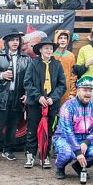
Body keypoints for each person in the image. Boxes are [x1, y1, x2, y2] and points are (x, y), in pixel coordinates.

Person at [0, 28, 30, 162]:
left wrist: (27, 93)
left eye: (17, 40)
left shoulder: (26, 58)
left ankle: (8, 150)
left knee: (13, 125)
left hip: (17, 97)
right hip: (1, 96)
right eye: (12, 40)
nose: (15, 42)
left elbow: (29, 79)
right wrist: (1, 75)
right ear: (7, 42)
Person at [23, 37, 66, 168]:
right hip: (35, 103)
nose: (49, 50)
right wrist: (38, 97)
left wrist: (53, 97)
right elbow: (27, 82)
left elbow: (62, 85)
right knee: (32, 129)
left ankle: (45, 156)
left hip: (51, 104)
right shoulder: (33, 63)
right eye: (46, 48)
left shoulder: (57, 65)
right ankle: (30, 155)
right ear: (40, 49)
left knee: (49, 131)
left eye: (51, 48)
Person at [53, 76, 93, 183]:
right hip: (65, 138)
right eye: (85, 90)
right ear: (77, 90)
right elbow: (67, 131)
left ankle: (78, 166)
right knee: (67, 153)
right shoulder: (68, 106)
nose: (88, 93)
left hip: (84, 139)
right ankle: (60, 167)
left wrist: (86, 142)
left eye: (90, 90)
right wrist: (77, 151)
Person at [52, 29, 77, 109]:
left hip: (66, 91)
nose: (63, 40)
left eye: (65, 38)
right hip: (52, 89)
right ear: (56, 39)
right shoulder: (51, 55)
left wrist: (72, 92)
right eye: (60, 38)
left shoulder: (70, 56)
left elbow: (72, 75)